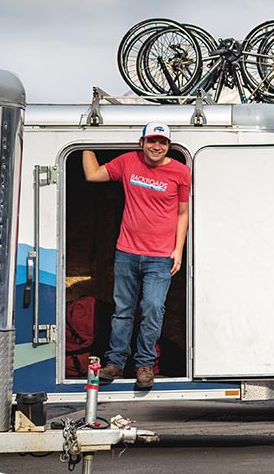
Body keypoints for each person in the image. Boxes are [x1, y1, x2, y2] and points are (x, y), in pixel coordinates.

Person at [81, 122, 191, 389]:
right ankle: (116, 364)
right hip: (127, 252)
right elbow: (92, 175)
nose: (157, 146)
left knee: (153, 308)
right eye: (152, 141)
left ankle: (144, 365)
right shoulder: (128, 162)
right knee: (123, 310)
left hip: (160, 256)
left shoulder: (181, 171)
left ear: (168, 145)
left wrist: (178, 249)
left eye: (163, 142)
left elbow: (182, 213)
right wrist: (84, 139)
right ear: (142, 142)